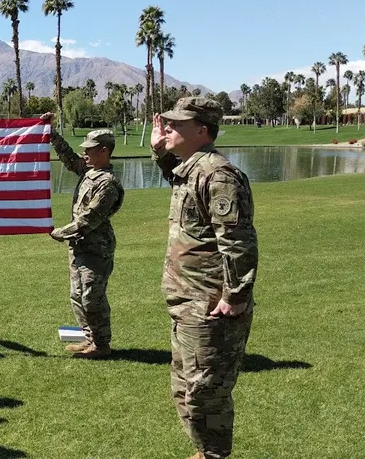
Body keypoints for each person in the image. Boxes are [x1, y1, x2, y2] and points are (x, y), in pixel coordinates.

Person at [151, 97, 258, 459]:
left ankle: (214, 455)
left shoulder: (218, 175)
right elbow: (175, 179)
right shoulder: (191, 169)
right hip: (187, 301)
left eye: (176, 124)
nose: (168, 128)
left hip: (211, 305)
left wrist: (236, 295)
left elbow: (238, 241)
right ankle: (206, 451)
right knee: (184, 389)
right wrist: (160, 152)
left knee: (205, 393)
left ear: (201, 130)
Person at [45, 113, 124, 359]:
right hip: (79, 246)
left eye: (89, 150)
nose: (84, 154)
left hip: (95, 249)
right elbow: (69, 159)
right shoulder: (89, 171)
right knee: (77, 295)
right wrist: (50, 133)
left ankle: (101, 345)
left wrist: (59, 232)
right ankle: (89, 338)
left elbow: (88, 219)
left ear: (104, 151)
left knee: (92, 297)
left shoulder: (107, 183)